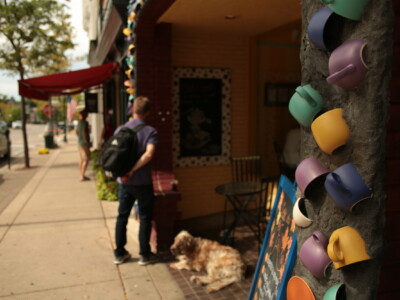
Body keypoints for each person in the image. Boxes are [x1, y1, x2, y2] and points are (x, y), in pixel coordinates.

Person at [113, 96, 159, 265]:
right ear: (147, 112)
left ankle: (119, 253)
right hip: (143, 182)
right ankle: (144, 255)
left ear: (133, 110)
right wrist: (133, 169)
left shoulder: (120, 130)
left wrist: (126, 172)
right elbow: (149, 154)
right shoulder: (150, 131)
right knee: (145, 218)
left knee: (122, 217)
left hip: (124, 182)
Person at [76, 109, 91, 181]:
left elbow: (77, 132)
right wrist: (86, 141)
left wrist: (80, 138)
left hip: (79, 142)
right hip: (84, 143)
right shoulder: (85, 123)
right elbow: (84, 132)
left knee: (82, 159)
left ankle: (81, 174)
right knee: (86, 159)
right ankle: (82, 175)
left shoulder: (79, 123)